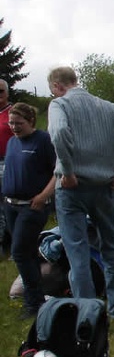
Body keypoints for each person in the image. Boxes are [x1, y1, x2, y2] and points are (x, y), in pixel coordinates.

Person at [47, 66, 114, 319]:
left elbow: (58, 133)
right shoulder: (108, 107)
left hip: (71, 188)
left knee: (76, 250)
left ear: (57, 86)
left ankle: (87, 313)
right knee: (110, 247)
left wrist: (67, 171)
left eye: (53, 92)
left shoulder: (60, 106)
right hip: (104, 187)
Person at [3, 103, 56, 318]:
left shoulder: (43, 141)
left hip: (32, 207)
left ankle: (33, 304)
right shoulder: (12, 143)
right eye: (11, 123)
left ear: (31, 121)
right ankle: (38, 295)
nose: (15, 127)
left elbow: (58, 171)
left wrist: (43, 196)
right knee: (28, 253)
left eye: (19, 123)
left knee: (19, 253)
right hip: (10, 205)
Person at [0, 79, 15, 252]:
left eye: (1, 91)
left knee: (8, 204)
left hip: (8, 162)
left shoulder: (13, 112)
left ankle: (13, 243)